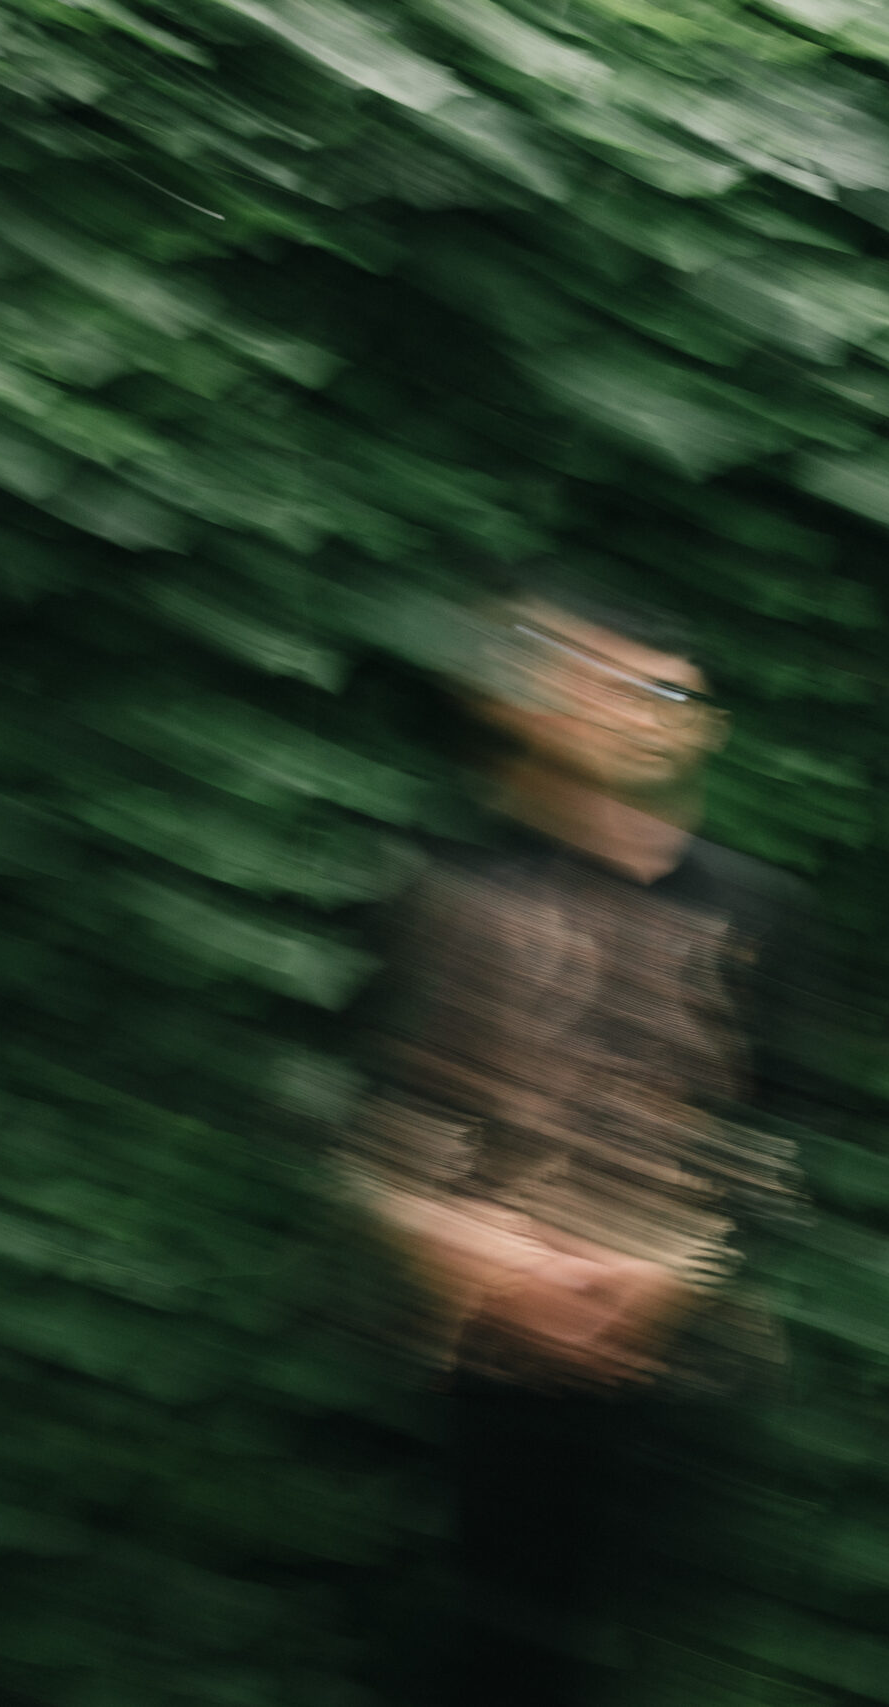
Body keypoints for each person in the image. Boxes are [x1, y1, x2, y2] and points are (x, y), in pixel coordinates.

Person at [340, 567, 806, 1707]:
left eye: (667, 694)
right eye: (599, 682)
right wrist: (465, 1249)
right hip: (469, 1362)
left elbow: (787, 1129)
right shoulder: (434, 881)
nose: (633, 714)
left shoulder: (759, 909)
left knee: (657, 1653)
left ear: (709, 725)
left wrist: (668, 1271)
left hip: (678, 1369)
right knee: (480, 1650)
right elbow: (366, 1101)